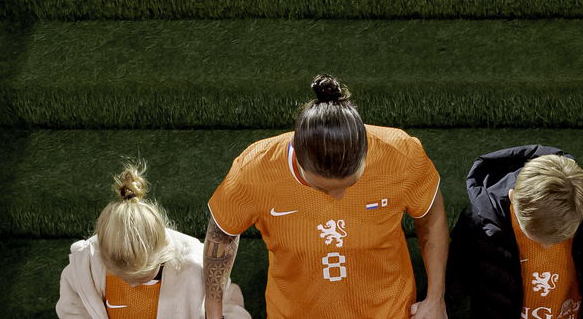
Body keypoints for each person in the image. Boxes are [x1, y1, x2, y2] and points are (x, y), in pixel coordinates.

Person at [203, 75, 449, 319]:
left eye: (350, 183)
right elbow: (221, 235)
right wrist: (214, 314)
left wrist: (436, 299)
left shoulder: (400, 152)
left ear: (365, 151)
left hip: (389, 310)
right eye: (322, 189)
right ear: (297, 157)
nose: (338, 197)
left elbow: (431, 217)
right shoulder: (255, 168)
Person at [447, 145, 583, 319]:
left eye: (562, 237)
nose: (548, 247)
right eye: (535, 236)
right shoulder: (480, 223)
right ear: (514, 199)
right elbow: (455, 276)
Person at [57, 163, 251, 318]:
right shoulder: (84, 268)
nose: (133, 286)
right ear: (102, 257)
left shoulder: (195, 264)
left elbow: (230, 307)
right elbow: (72, 311)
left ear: (163, 253)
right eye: (124, 278)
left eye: (144, 278)